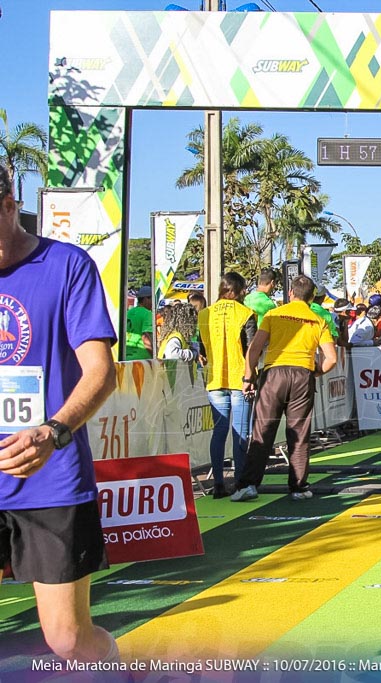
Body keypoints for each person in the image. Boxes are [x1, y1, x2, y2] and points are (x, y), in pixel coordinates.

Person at [0, 165, 120, 663]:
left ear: (8, 205)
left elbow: (101, 372)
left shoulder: (67, 265)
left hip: (50, 478)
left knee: (69, 640)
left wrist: (53, 431)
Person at [232, 275, 336, 502]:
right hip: (303, 374)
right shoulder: (318, 320)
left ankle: (248, 485)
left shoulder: (273, 314)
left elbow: (254, 348)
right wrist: (314, 371)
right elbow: (331, 359)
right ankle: (298, 487)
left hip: (274, 374)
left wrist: (249, 376)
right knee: (299, 433)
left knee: (263, 431)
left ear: (290, 294)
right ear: (311, 298)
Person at [198, 272, 257, 498]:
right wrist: (251, 377)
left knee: (219, 431)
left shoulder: (204, 314)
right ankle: (241, 483)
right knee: (241, 432)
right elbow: (252, 349)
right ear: (239, 290)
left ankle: (219, 484)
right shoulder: (246, 313)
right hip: (240, 378)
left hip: (214, 379)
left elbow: (202, 349)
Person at [124, 285, 153, 360]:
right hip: (142, 359)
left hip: (126, 357)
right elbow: (145, 337)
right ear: (146, 299)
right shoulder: (147, 314)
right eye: (152, 299)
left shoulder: (128, 313)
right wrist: (155, 357)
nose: (153, 302)